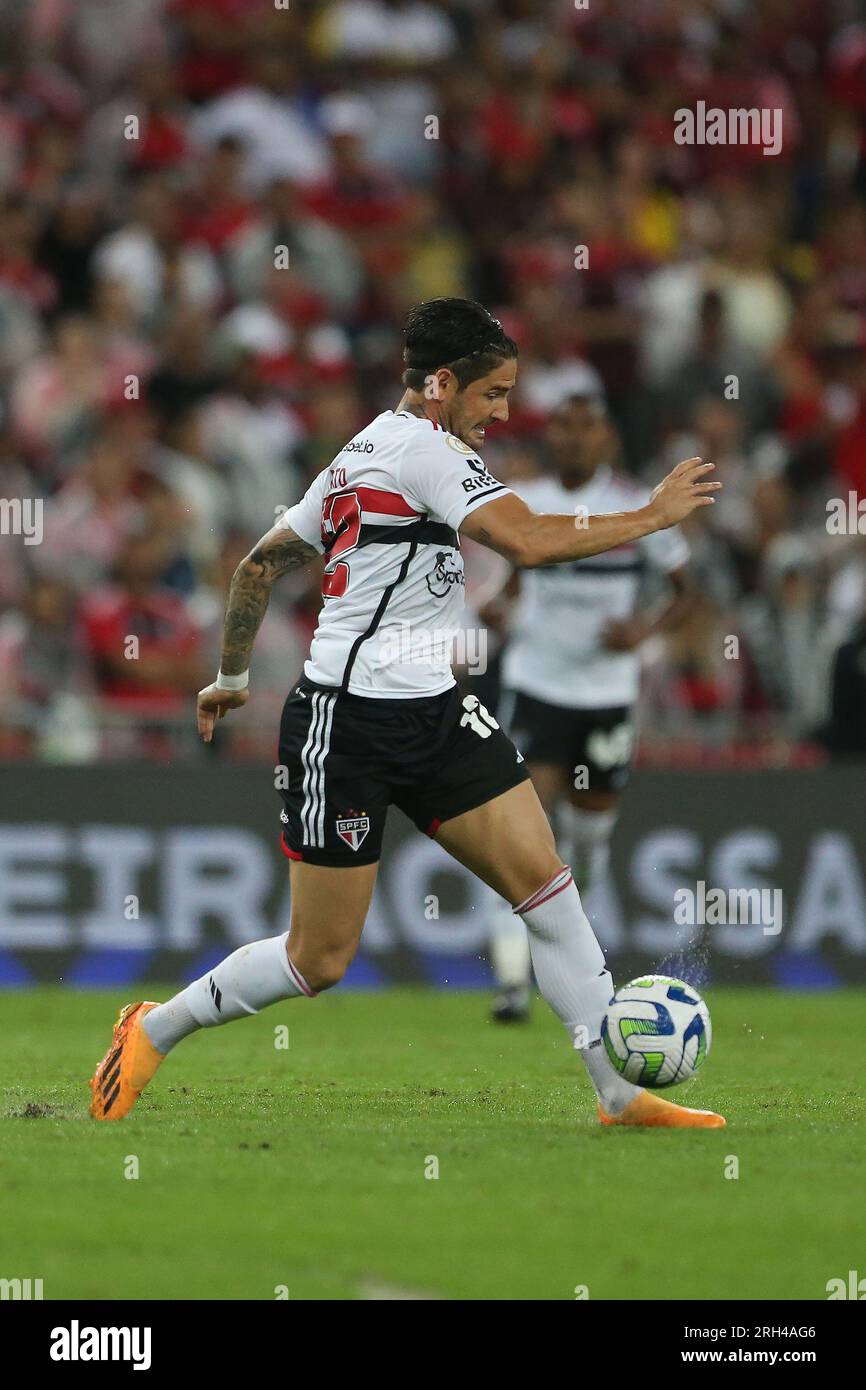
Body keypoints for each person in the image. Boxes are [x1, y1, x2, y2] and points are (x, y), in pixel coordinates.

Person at [89, 297, 724, 1129]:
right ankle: (154, 1028)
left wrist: (232, 675)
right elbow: (527, 541)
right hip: (346, 725)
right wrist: (651, 515)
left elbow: (258, 566)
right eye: (491, 395)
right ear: (442, 385)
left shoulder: (364, 452)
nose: (501, 414)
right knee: (319, 959)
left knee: (549, 892)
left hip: (437, 712)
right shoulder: (424, 451)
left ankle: (617, 1094)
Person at [480, 394, 691, 1021]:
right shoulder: (526, 498)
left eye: (586, 427)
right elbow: (515, 579)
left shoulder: (638, 505)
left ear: (607, 438)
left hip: (606, 693)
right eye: (562, 426)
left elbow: (686, 592)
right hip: (537, 687)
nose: (573, 438)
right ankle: (514, 983)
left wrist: (644, 631)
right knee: (523, 830)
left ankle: (570, 950)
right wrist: (501, 605)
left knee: (589, 841)